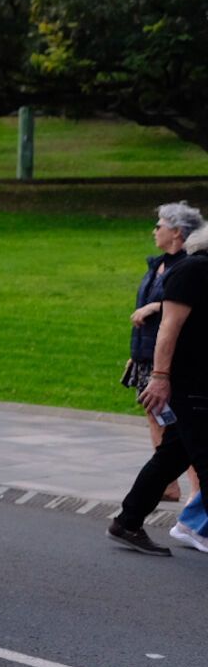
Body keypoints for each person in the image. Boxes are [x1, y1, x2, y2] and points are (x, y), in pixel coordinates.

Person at [113, 223, 208, 555]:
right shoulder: (194, 271)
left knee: (173, 455)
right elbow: (169, 328)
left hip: (200, 381)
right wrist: (160, 377)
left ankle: (128, 521)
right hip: (190, 382)